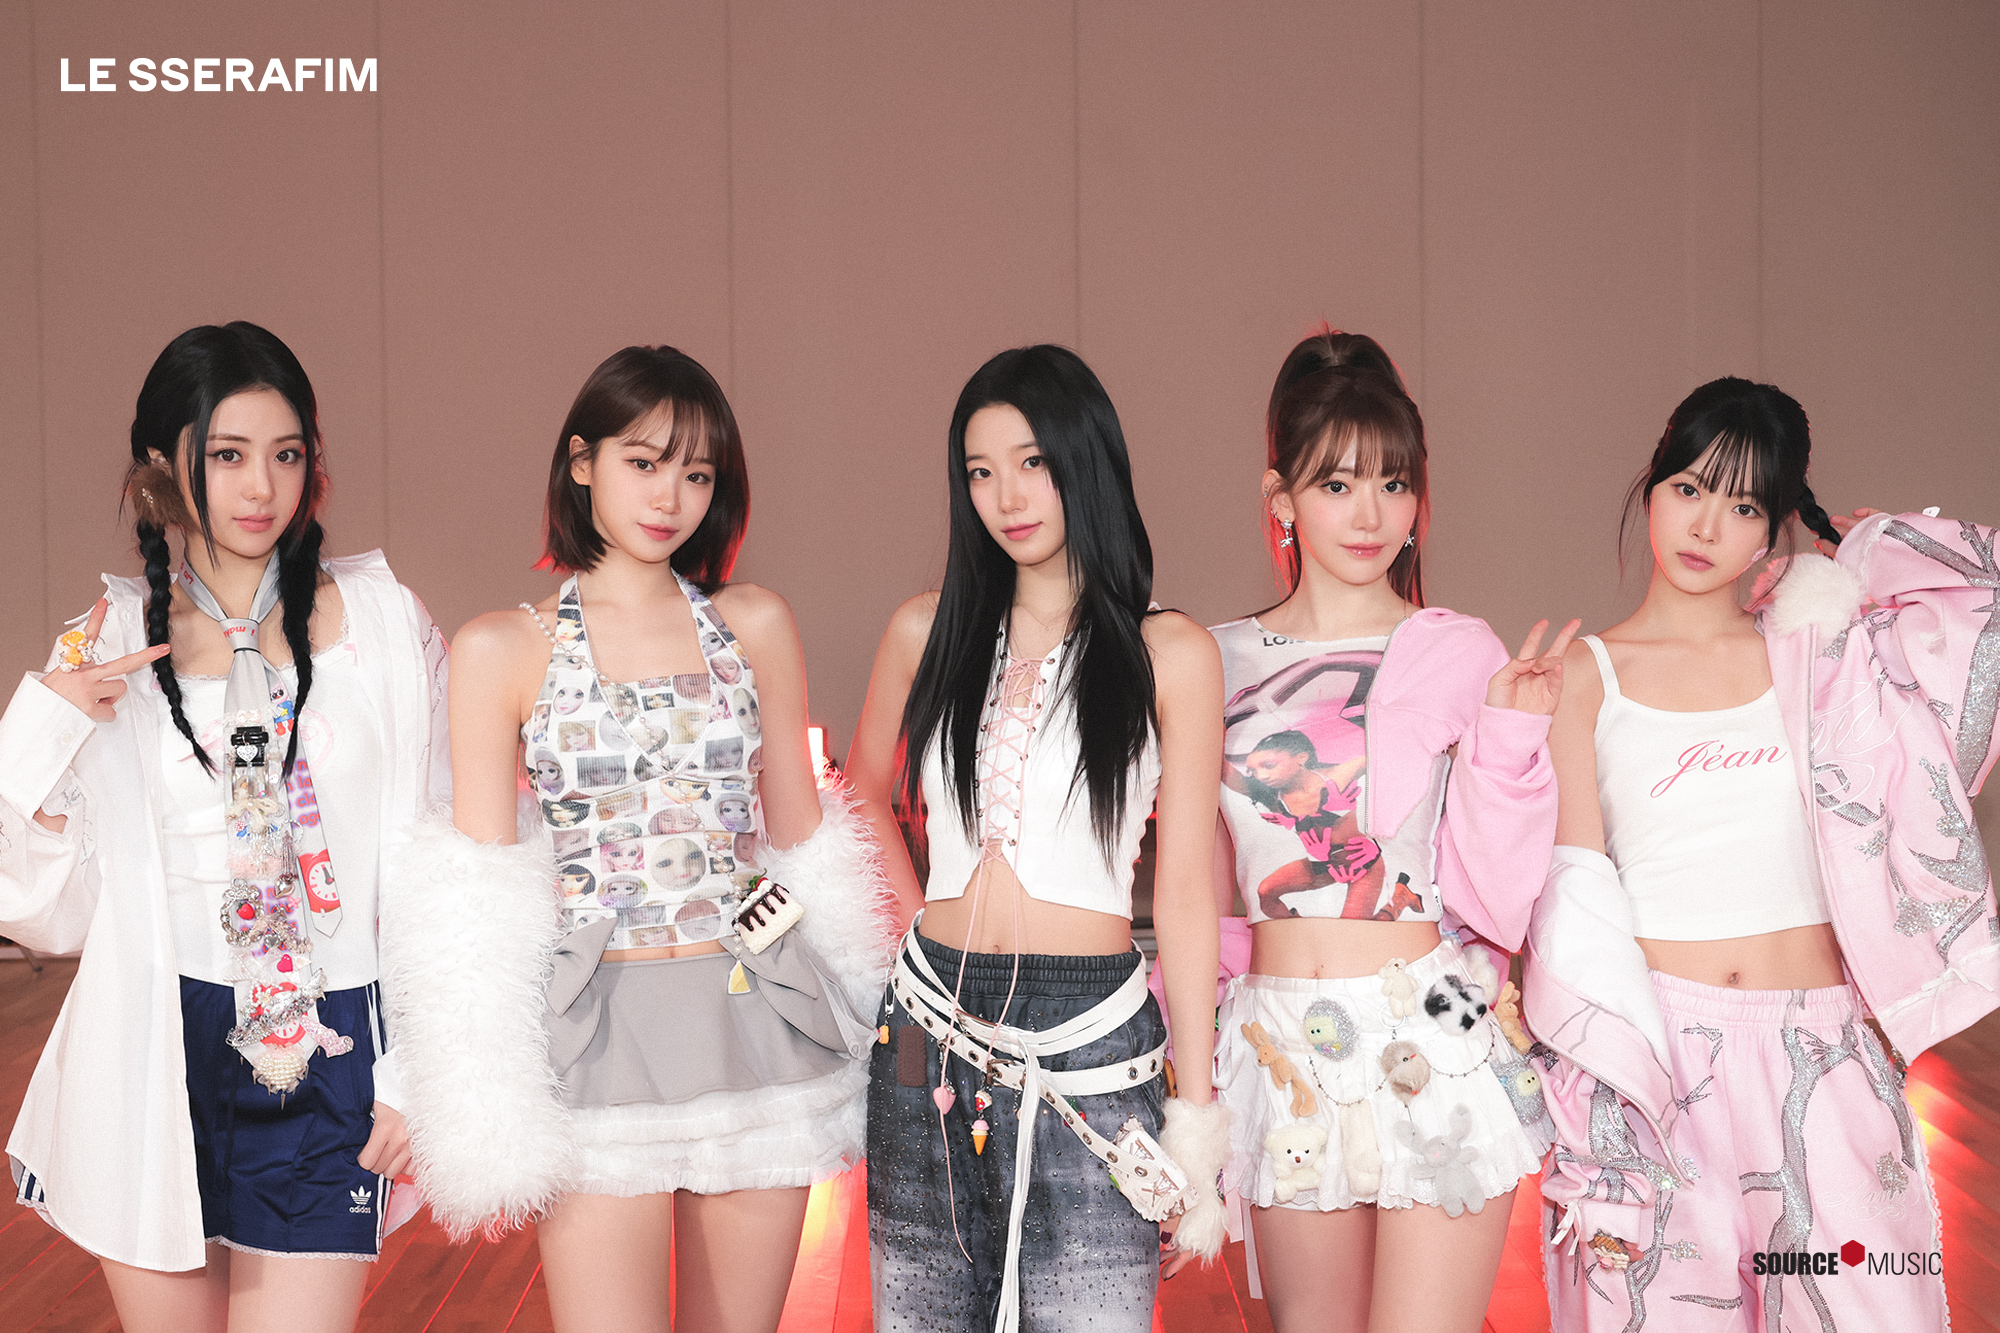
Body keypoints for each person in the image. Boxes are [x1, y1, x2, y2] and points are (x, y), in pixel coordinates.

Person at [383, 345, 892, 1333]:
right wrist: (449, 1084)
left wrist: (866, 990)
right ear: (581, 462)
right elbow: (477, 897)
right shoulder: (503, 647)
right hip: (593, 1034)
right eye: (644, 462)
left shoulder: (753, 623)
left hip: (753, 1018)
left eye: (696, 474)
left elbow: (805, 839)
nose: (670, 496)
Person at [0, 322, 449, 1332]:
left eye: (286, 454)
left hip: (331, 1035)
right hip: (157, 1039)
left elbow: (447, 856)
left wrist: (420, 1064)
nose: (261, 487)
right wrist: (43, 724)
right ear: (163, 469)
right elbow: (33, 904)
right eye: (228, 455)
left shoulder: (382, 622)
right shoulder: (111, 641)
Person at [1527, 376, 1998, 1330]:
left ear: (1775, 524)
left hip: (1826, 1056)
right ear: (1652, 487)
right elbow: (1576, 898)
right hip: (1667, 1069)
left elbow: (1979, 608)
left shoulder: (1826, 652)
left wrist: (1874, 548)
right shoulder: (1584, 673)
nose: (1707, 525)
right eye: (1689, 488)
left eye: (1744, 506)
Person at [846, 344, 1231, 1332]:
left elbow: (1187, 891)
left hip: (1092, 1034)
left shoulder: (1169, 650)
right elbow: (860, 796)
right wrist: (911, 939)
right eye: (980, 471)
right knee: (920, 1313)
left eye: (1032, 462)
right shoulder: (923, 630)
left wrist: (1196, 1111)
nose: (1006, 496)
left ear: (1084, 459)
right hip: (924, 1025)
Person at [1209, 332, 1575, 1333]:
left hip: (1429, 1017)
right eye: (1336, 483)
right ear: (1281, 496)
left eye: (1393, 482)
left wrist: (1510, 742)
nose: (1370, 513)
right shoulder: (1215, 659)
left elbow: (1498, 892)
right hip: (1279, 1034)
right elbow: (1204, 889)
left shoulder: (1457, 650)